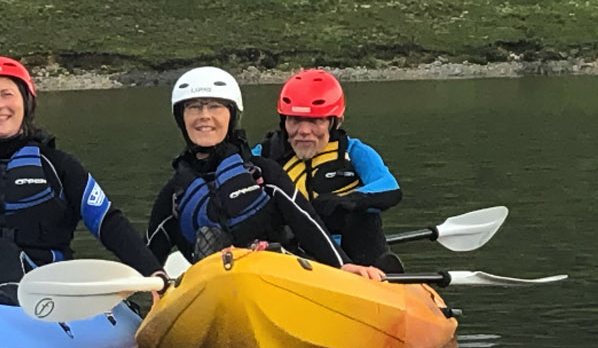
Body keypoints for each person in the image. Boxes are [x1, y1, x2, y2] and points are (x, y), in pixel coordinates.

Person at [0, 55, 161, 303]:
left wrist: (152, 272)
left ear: (26, 102)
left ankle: (9, 320)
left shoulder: (58, 166)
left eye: (7, 94)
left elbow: (109, 223)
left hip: (46, 290)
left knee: (0, 250)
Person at [145, 66, 364, 273]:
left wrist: (343, 265)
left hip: (276, 279)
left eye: (215, 107)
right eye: (194, 107)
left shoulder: (264, 173)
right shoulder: (175, 194)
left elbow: (307, 222)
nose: (204, 115)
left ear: (231, 115)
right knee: (207, 237)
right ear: (181, 118)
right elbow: (147, 261)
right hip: (213, 290)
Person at [254, 68, 404, 270]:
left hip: (353, 252)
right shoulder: (264, 155)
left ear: (334, 122)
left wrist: (344, 202)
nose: (304, 131)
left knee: (361, 217)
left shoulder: (354, 151)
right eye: (295, 121)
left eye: (316, 121)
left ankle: (380, 274)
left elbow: (389, 188)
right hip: (295, 255)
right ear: (284, 122)